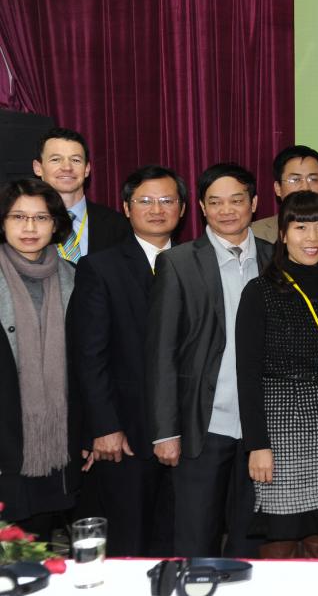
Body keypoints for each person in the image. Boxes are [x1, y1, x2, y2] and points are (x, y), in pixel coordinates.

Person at [146, 162, 273, 557]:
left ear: (253, 202)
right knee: (195, 539)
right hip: (203, 426)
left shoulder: (276, 259)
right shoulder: (179, 262)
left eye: (236, 200)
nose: (227, 210)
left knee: (251, 539)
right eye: (215, 202)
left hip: (261, 430)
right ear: (201, 207)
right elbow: (161, 351)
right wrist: (165, 431)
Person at [236, 191, 318, 558]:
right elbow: (246, 374)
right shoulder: (260, 291)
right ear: (283, 233)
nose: (312, 238)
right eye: (301, 227)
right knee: (280, 537)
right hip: (281, 425)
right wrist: (257, 445)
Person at [66, 165, 187, 556]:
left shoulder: (195, 264)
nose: (157, 209)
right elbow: (89, 356)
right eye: (145, 201)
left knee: (179, 539)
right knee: (130, 543)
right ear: (126, 207)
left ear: (183, 209)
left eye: (167, 200)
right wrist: (104, 426)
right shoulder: (100, 268)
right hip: (126, 434)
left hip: (191, 431)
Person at [0, 179, 78, 538]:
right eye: (18, 217)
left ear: (55, 224)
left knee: (44, 544)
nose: (29, 228)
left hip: (58, 445)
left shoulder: (75, 278)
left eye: (40, 218)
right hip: (8, 440)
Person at [32, 127, 130, 261]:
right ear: (38, 168)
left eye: (76, 160)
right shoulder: (22, 224)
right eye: (56, 159)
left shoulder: (118, 225)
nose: (67, 167)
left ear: (87, 169)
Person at [252, 145, 318, 243]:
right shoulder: (254, 233)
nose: (305, 187)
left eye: (313, 179)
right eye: (295, 179)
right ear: (278, 188)